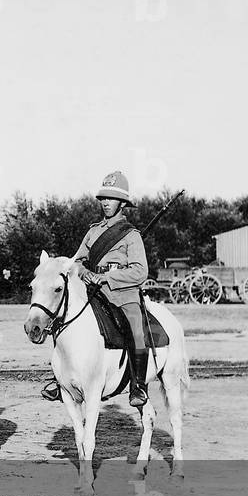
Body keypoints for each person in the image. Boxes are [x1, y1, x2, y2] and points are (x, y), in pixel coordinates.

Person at [71, 170, 150, 407]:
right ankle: (62, 378)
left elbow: (140, 271)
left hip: (123, 295)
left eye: (111, 199)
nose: (105, 203)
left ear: (122, 203)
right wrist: (85, 273)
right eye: (103, 198)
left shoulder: (131, 236)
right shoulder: (93, 231)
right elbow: (76, 261)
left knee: (136, 331)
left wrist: (107, 278)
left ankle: (138, 386)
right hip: (93, 293)